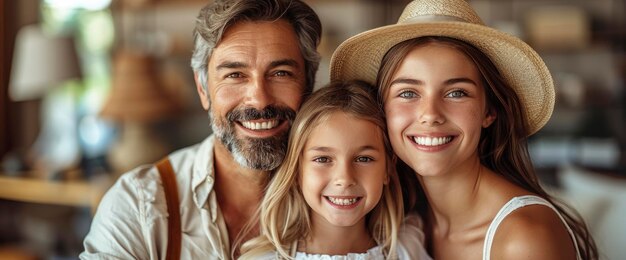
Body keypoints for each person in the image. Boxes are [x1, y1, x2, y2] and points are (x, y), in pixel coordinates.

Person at [330, 0, 598, 259]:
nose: (430, 115)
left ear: (489, 111)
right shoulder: (406, 225)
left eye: (457, 92)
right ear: (382, 109)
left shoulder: (523, 238)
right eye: (408, 93)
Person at [81, 0, 322, 259]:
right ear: (203, 89)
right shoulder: (136, 207)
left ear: (308, 85)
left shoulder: (343, 199)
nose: (260, 99)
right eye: (235, 75)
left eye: (281, 73)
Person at [238, 80, 431, 260]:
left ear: (388, 168)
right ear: (297, 171)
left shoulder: (407, 247)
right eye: (323, 159)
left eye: (364, 159)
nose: (344, 178)